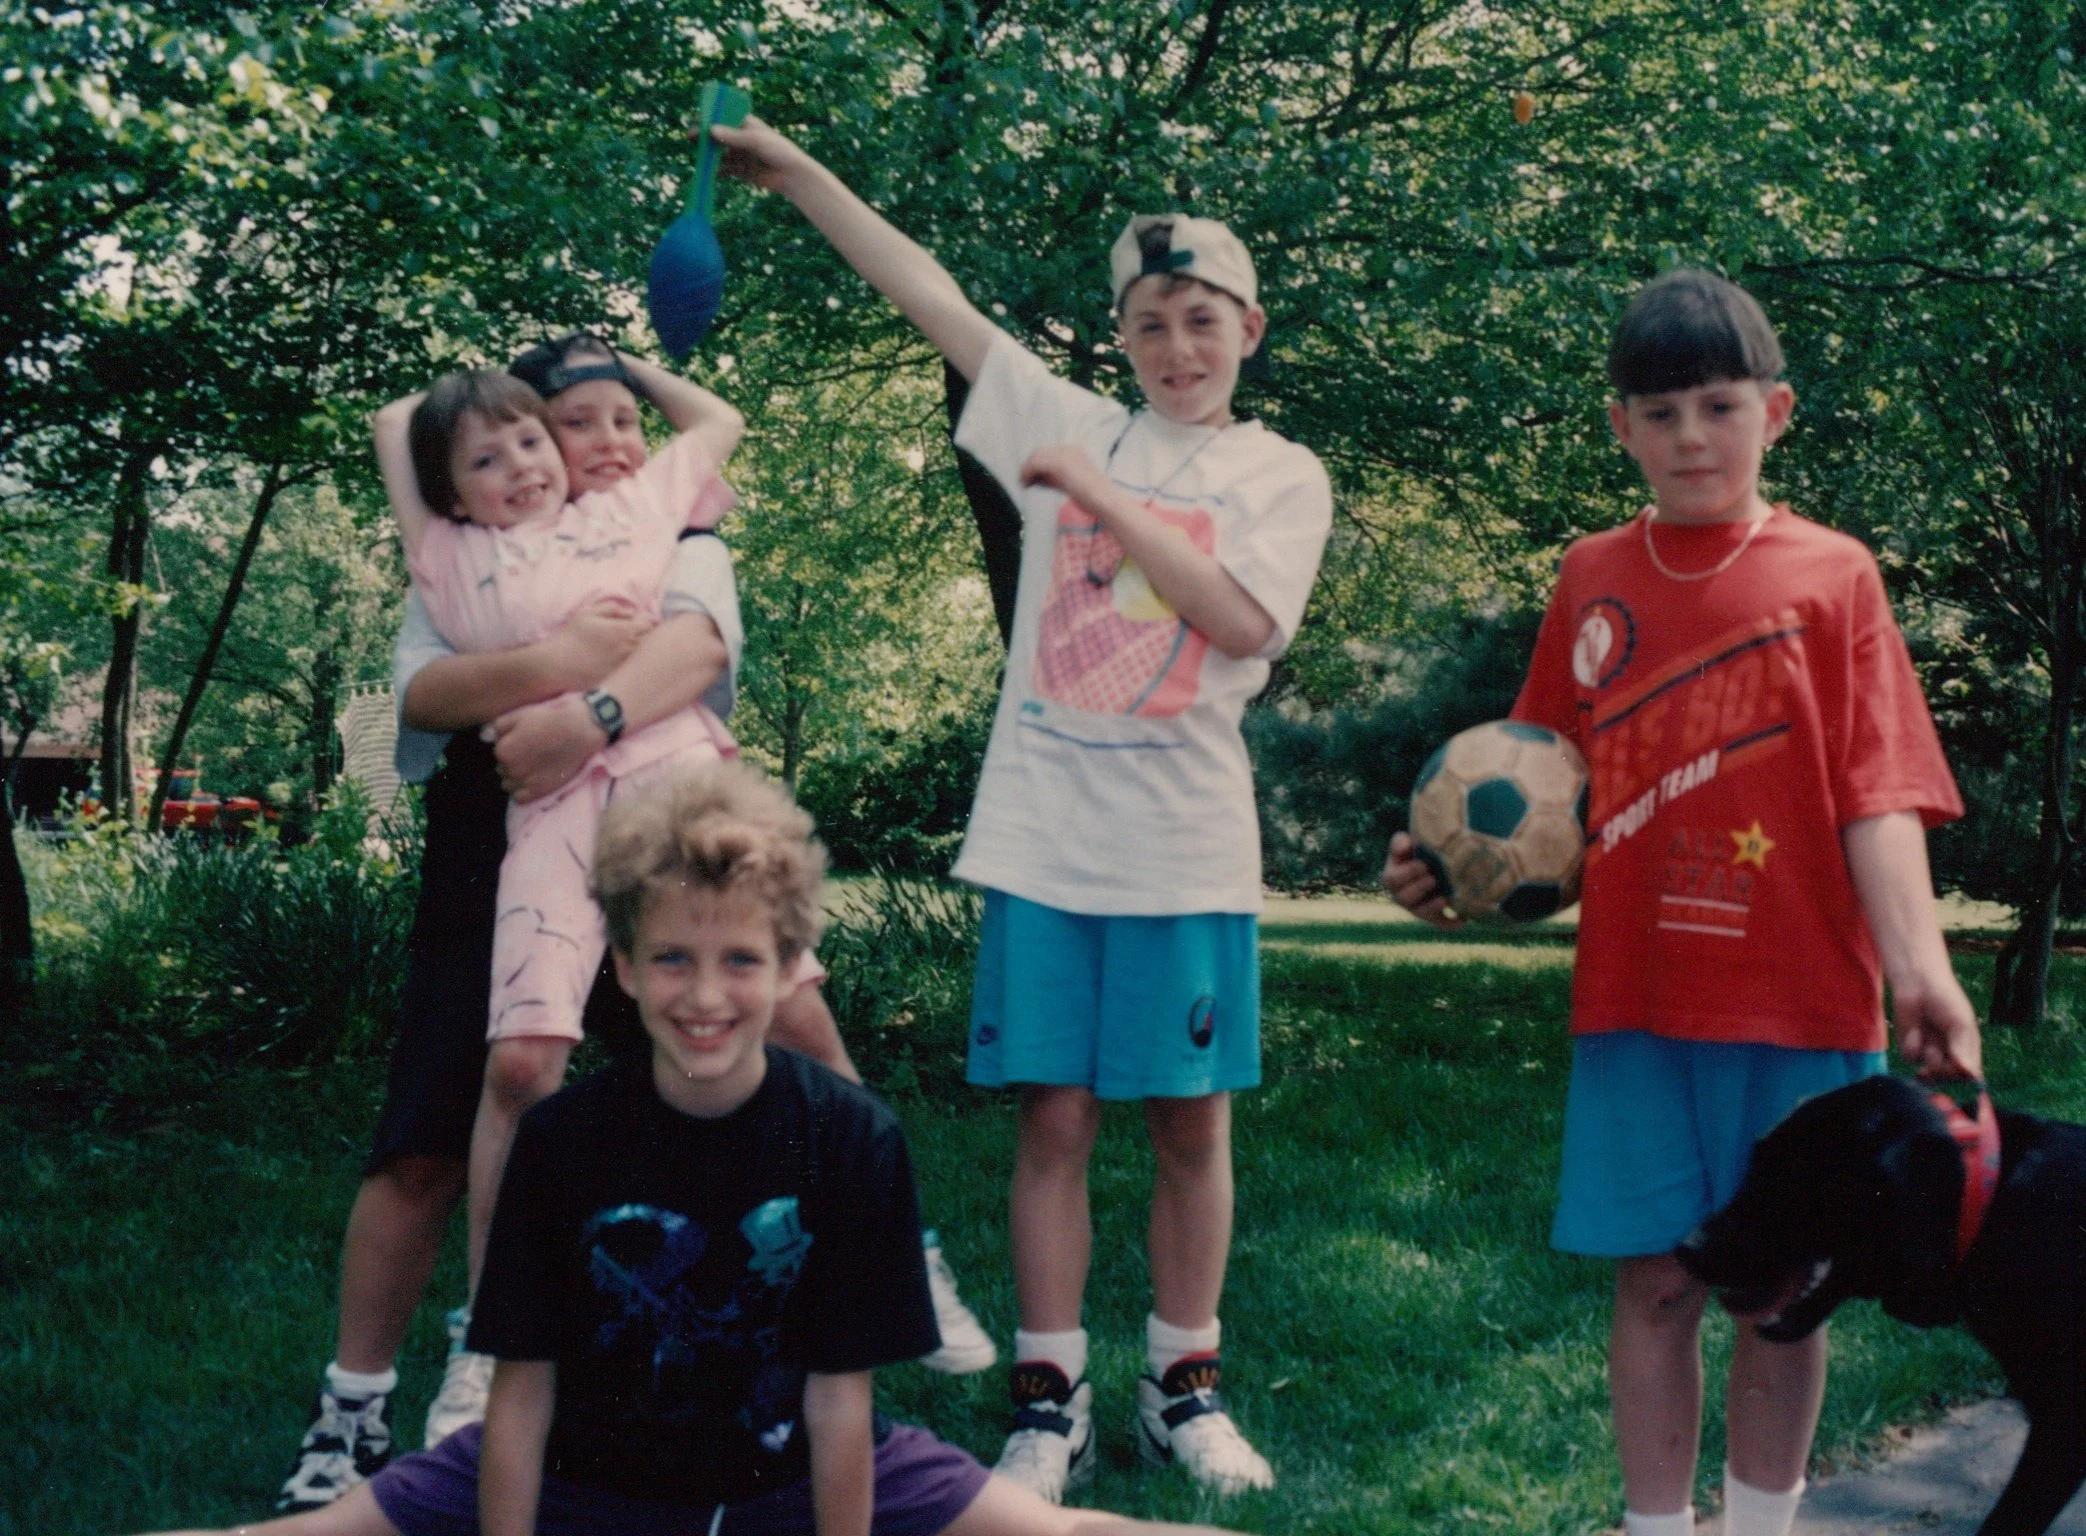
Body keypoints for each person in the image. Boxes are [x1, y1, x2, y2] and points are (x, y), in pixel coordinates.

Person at [712, 121, 1332, 1502]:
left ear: (1249, 330)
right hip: (1048, 843)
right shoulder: (1058, 421)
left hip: (1185, 851)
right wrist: (806, 176)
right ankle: (1046, 1402)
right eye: (1151, 323)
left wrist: (1107, 496)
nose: (1178, 347)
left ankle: (1186, 1388)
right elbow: (923, 290)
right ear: (1122, 337)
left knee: (1189, 1125)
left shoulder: (1279, 473)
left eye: (1203, 321)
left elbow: (1239, 623)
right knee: (1050, 1120)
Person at [141, 762, 1247, 1536]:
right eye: (670, 960)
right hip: (580, 1468)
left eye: (740, 962)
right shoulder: (562, 1142)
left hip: (798, 1475)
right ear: (617, 967)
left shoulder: (851, 1140)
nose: (705, 996)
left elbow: (838, 1400)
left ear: (788, 964)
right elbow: (519, 1391)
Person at [280, 339, 990, 1515]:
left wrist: (584, 710)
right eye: (552, 426)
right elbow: (424, 695)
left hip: (659, 832)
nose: (585, 446)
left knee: (789, 1048)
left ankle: (870, 1291)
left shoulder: (674, 527)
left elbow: (695, 649)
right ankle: (361, 1401)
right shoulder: (471, 554)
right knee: (438, 1127)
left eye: (612, 420)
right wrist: (554, 662)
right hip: (505, 839)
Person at [1382, 269, 1982, 1536]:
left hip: (1802, 1003)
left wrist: (1920, 967)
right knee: (1655, 1285)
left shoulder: (1834, 575)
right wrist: (1443, 880)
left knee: (1779, 1291)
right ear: (1620, 428)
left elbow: (1878, 792)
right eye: (1659, 413)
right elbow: (1536, 794)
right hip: (1639, 1005)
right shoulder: (1593, 572)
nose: (1691, 437)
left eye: (1718, 405)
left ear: (1777, 411)